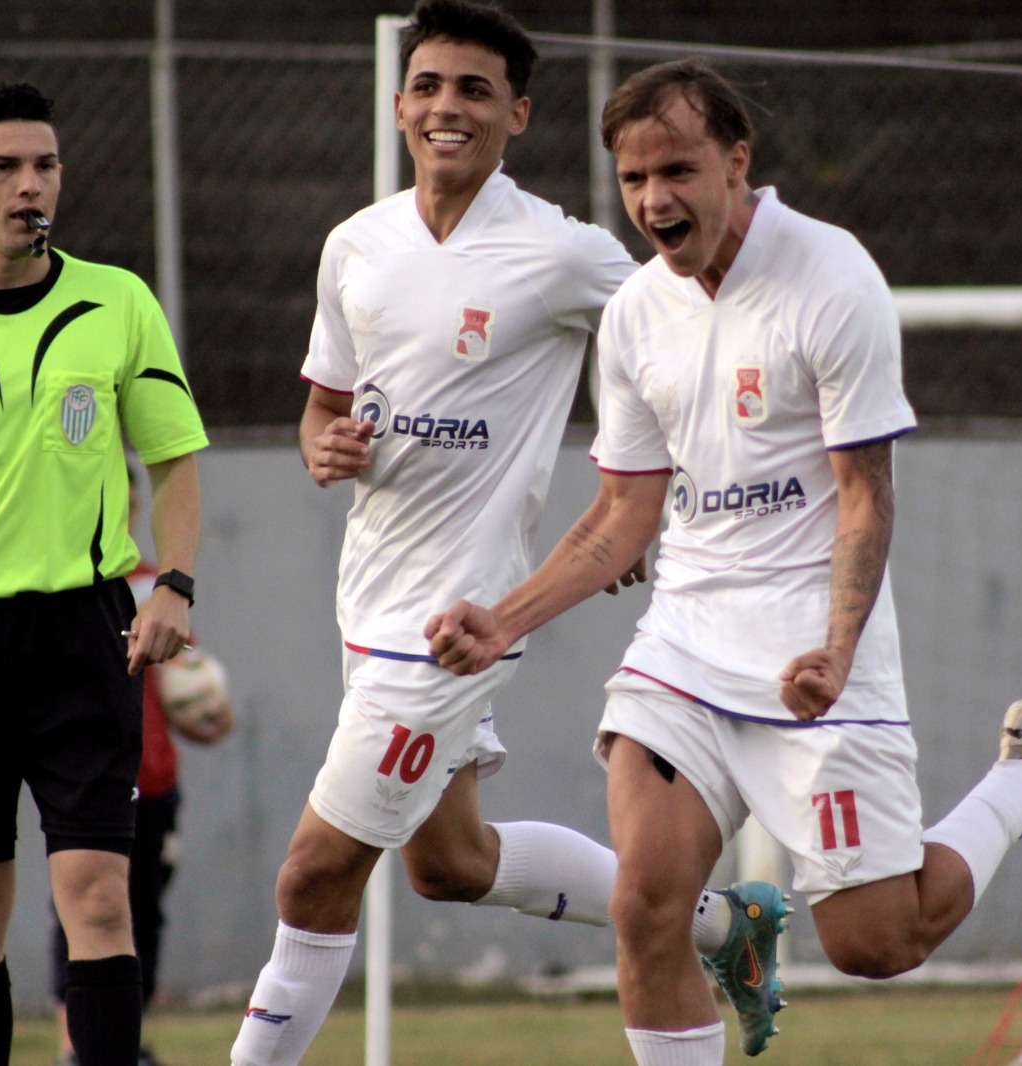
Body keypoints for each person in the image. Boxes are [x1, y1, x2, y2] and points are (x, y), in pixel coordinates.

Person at [426, 58, 1022, 1065]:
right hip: (682, 650)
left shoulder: (830, 276)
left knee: (876, 941)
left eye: (677, 170)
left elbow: (866, 493)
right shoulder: (639, 312)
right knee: (646, 904)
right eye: (634, 179)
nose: (654, 200)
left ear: (737, 160)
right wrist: (501, 619)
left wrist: (834, 645)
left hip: (813, 655)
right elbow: (621, 514)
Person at [230, 7, 784, 1065]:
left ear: (517, 115)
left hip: (455, 624)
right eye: (430, 85)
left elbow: (686, 346)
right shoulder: (356, 245)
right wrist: (322, 445)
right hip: (367, 600)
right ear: (399, 103)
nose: (449, 107)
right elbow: (323, 408)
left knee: (311, 872)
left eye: (475, 90)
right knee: (450, 861)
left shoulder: (564, 252)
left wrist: (634, 510)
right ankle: (725, 926)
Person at [0, 81, 207, 1066]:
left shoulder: (116, 303)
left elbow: (173, 464)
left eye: (46, 165)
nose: (31, 185)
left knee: (98, 893)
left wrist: (175, 585)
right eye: (6, 167)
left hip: (83, 633)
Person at [51, 467, 235, 1066]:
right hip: (85, 774)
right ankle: (72, 1047)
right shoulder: (58, 581)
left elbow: (179, 687)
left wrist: (206, 719)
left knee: (143, 912)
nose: (125, 512)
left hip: (153, 778)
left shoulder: (160, 588)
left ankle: (121, 1043)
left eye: (133, 502)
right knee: (86, 904)